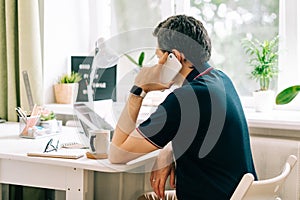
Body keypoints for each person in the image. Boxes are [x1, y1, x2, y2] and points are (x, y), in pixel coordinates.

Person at [108, 14, 257, 200]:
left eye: (158, 57)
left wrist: (139, 89)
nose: (157, 65)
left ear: (174, 57)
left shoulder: (185, 99)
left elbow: (117, 154)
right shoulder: (221, 80)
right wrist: (167, 151)